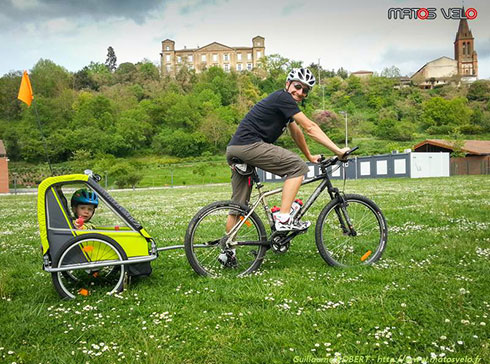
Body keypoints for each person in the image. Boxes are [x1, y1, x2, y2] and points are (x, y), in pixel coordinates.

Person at [226, 67, 350, 233]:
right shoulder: (283, 97)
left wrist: (309, 156)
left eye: (305, 90)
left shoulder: (284, 107)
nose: (300, 92)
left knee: (239, 206)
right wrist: (338, 151)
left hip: (235, 149)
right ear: (288, 84)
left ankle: (227, 250)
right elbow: (310, 127)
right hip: (249, 145)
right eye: (297, 87)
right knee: (297, 167)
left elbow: (297, 133)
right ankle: (284, 218)